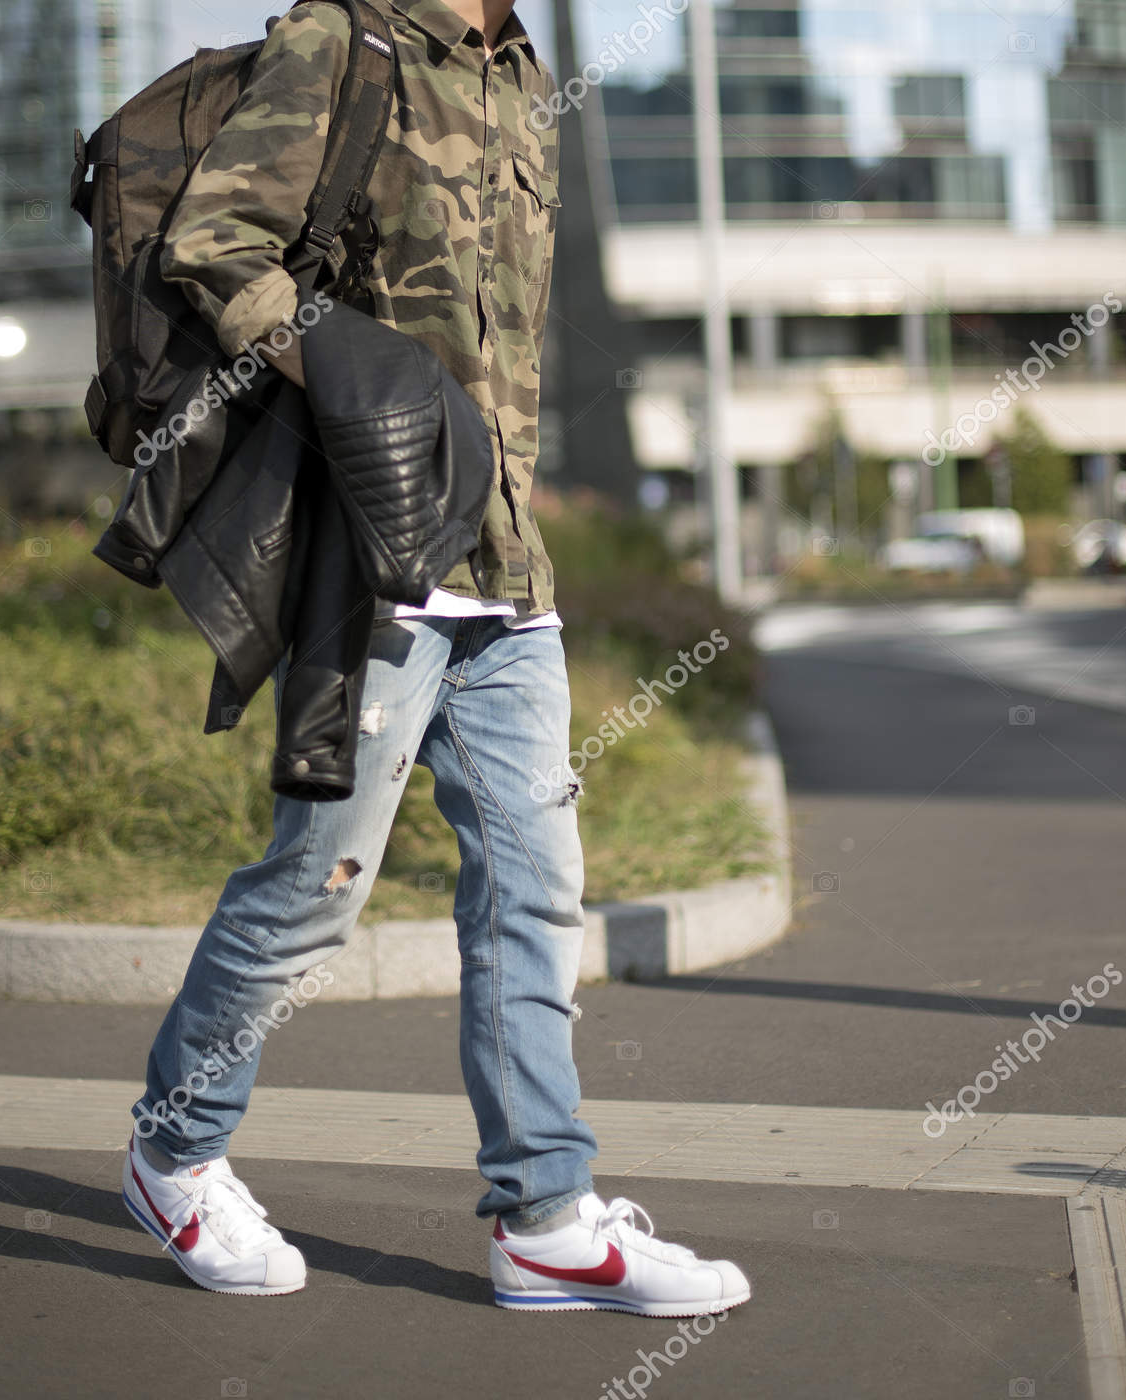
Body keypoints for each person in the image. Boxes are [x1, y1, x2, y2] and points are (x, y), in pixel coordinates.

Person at [120, 0, 751, 1317]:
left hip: (508, 572)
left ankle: (546, 1218)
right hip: (375, 554)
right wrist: (343, 365)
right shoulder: (344, 39)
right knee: (315, 888)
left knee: (533, 894)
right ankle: (175, 1152)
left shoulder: (521, 78)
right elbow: (212, 245)